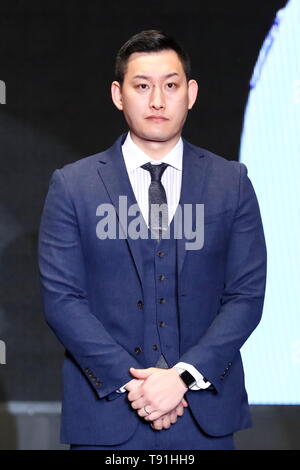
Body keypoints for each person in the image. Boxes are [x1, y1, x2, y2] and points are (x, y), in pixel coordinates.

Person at [38, 30, 267, 450]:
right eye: (142, 86)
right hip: (106, 415)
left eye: (171, 85)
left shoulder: (231, 183)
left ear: (191, 93)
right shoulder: (73, 186)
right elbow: (62, 299)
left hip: (204, 415)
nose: (157, 101)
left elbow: (246, 296)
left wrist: (181, 378)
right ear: (118, 94)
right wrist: (139, 386)